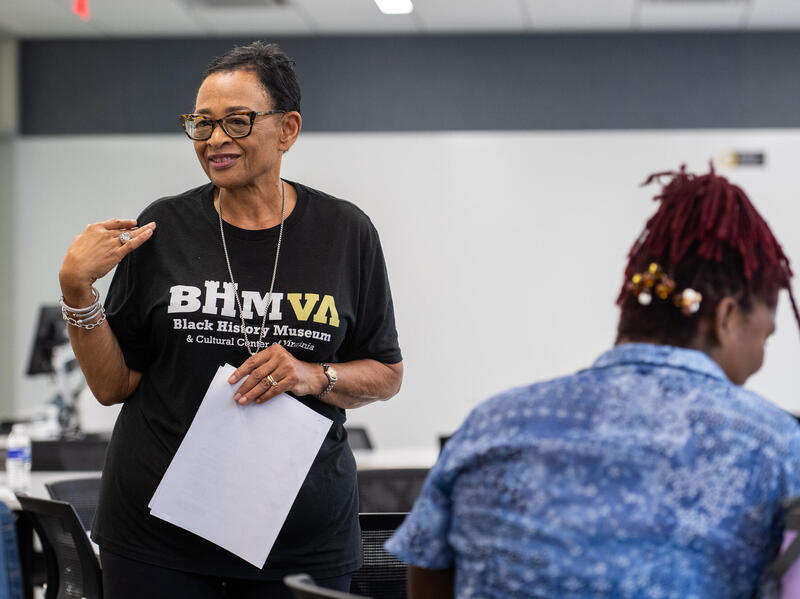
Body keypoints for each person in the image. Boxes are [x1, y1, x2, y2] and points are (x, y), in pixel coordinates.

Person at [58, 41, 403, 598]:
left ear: (287, 129)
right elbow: (111, 384)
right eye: (202, 123)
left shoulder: (345, 232)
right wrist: (78, 290)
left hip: (296, 539)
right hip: (157, 536)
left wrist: (316, 375)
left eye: (237, 122)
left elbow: (386, 373)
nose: (215, 139)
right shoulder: (164, 226)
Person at [386, 165, 800, 598]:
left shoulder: (490, 425)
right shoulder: (772, 447)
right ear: (727, 319)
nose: (760, 360)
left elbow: (429, 572)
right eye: (764, 337)